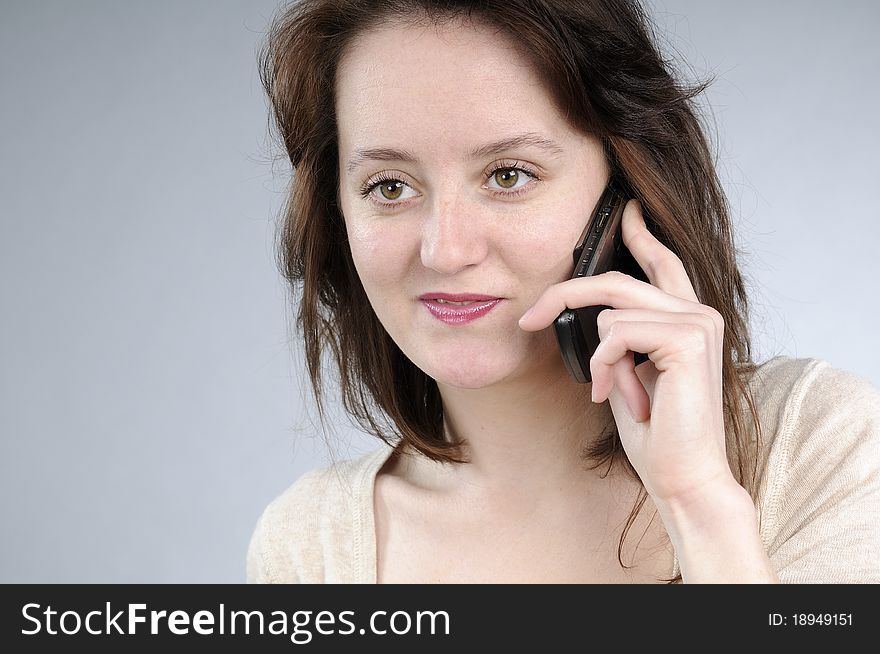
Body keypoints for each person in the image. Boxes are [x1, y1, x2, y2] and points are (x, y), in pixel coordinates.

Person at [246, 0, 880, 583]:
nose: (445, 250)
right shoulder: (307, 548)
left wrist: (699, 503)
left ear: (624, 188)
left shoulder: (822, 448)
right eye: (389, 186)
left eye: (508, 175)